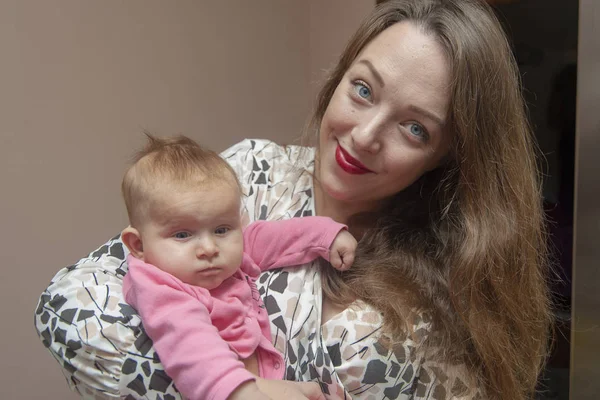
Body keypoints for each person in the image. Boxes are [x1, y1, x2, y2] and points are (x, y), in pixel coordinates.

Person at [34, 1, 552, 399]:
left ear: (447, 156)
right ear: (338, 79)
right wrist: (241, 391)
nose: (365, 134)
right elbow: (68, 309)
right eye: (364, 90)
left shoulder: (457, 273)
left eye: (415, 128)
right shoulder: (253, 172)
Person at [119, 134, 356, 400]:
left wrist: (326, 234)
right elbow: (191, 346)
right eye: (183, 235)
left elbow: (273, 237)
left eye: (221, 229)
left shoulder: (229, 251)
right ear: (137, 245)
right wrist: (241, 393)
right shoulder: (158, 286)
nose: (209, 248)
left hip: (256, 378)